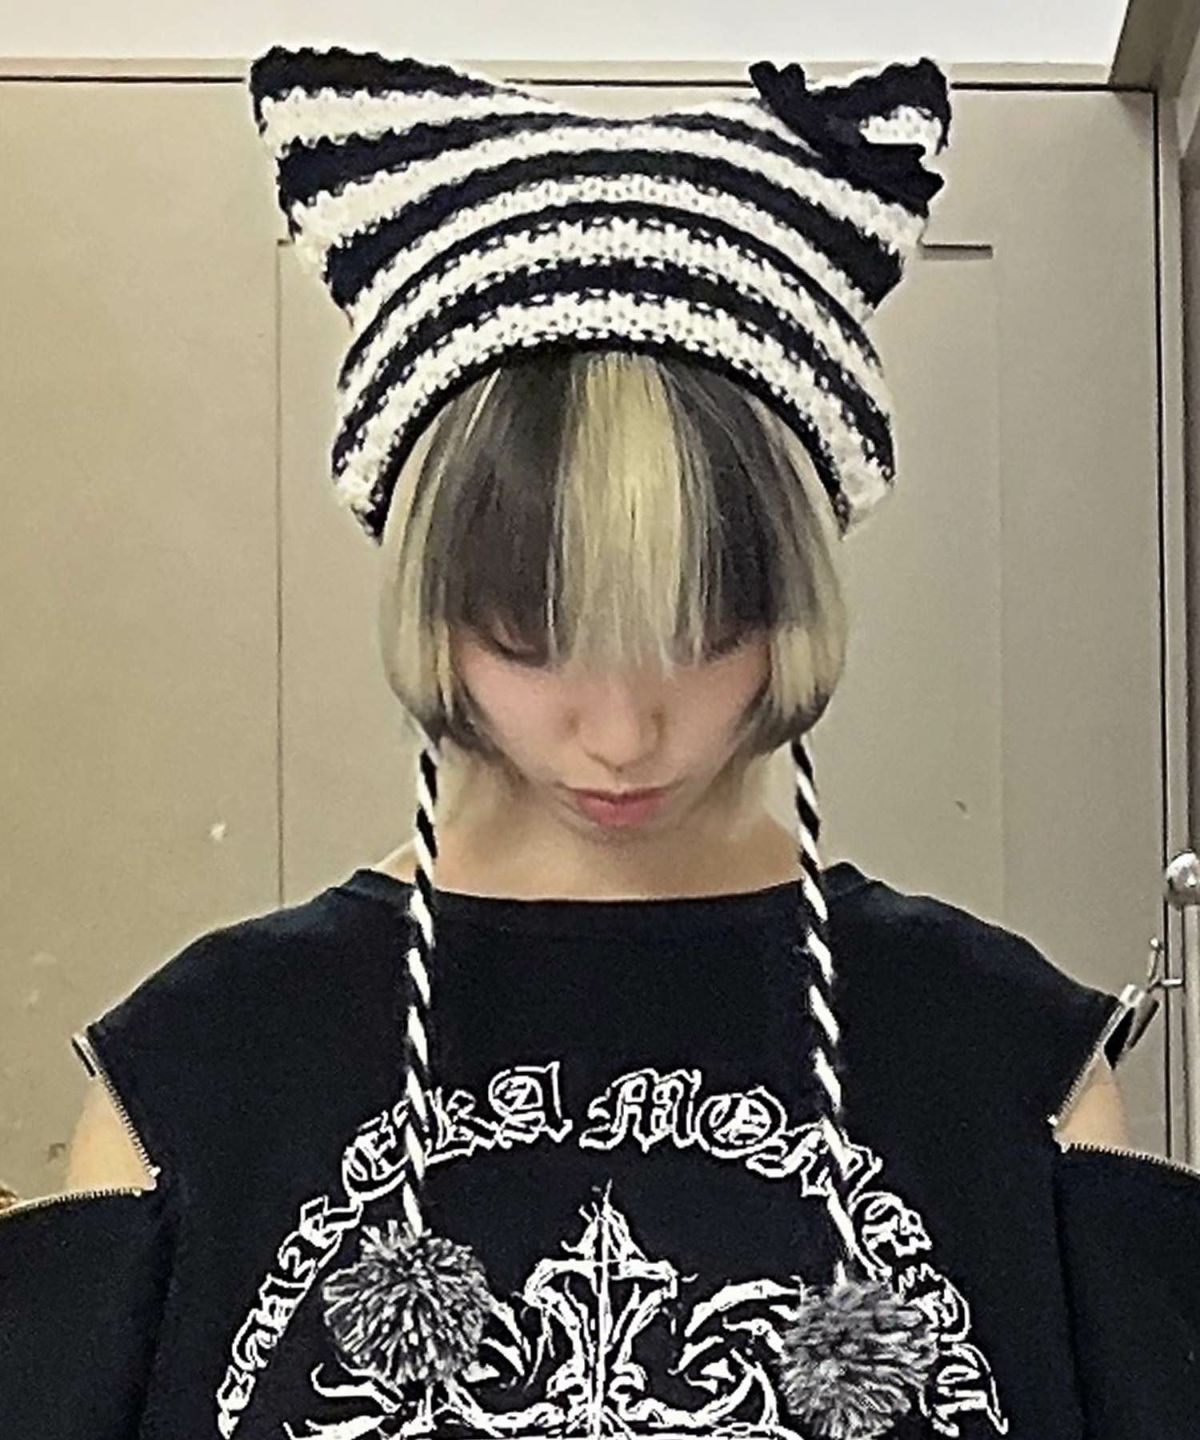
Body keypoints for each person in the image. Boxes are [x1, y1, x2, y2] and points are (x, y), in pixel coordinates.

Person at [3, 41, 1196, 1440]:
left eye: (703, 633)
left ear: (793, 601)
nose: (622, 733)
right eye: (532, 636)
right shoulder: (198, 1074)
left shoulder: (1012, 1069)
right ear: (432, 603)